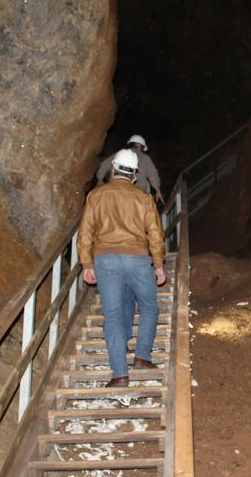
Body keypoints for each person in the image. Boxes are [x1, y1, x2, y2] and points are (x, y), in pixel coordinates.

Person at [77, 149, 166, 388]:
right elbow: (155, 235)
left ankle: (119, 374)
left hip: (106, 259)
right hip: (137, 259)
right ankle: (142, 355)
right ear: (135, 175)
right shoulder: (144, 199)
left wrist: (87, 263)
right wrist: (158, 265)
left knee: (114, 315)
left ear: (113, 170)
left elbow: (85, 232)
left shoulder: (96, 196)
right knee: (149, 307)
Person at [96, 134, 165, 205]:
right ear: (141, 147)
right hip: (137, 196)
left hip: (115, 193)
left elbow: (103, 166)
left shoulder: (119, 155)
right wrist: (158, 190)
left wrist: (99, 181)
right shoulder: (145, 158)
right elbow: (153, 174)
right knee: (146, 186)